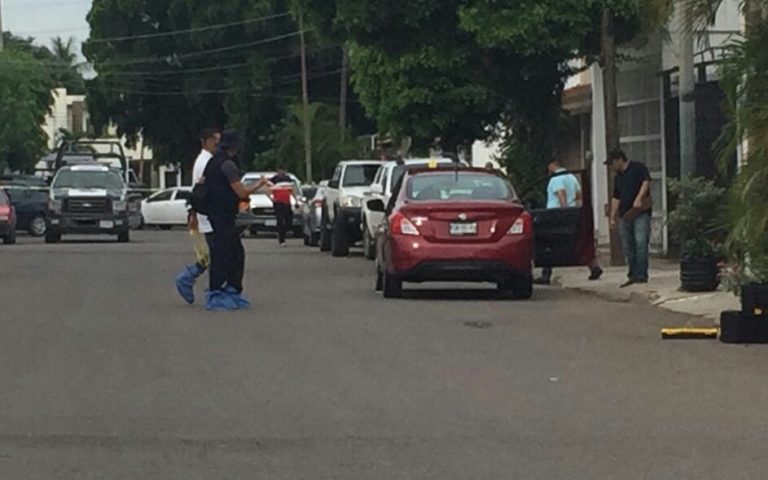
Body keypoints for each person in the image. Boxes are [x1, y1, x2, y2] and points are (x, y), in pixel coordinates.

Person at [205, 130, 270, 311]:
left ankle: (227, 288)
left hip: (214, 213)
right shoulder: (227, 165)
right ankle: (221, 290)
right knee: (227, 254)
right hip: (223, 216)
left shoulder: (212, 162)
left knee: (228, 252)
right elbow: (241, 192)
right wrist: (259, 184)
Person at [535, 159, 603, 285]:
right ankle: (594, 267)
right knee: (578, 242)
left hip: (556, 214)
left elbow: (561, 194)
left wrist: (564, 210)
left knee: (550, 244)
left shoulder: (556, 179)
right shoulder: (571, 177)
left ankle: (546, 274)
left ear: (552, 165)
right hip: (573, 212)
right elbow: (579, 195)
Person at [174, 128, 220, 304]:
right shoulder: (205, 162)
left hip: (205, 214)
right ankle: (189, 278)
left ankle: (190, 277)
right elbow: (201, 190)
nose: (218, 145)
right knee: (215, 254)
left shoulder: (206, 160)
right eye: (215, 141)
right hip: (207, 215)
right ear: (206, 141)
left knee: (213, 254)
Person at [607, 149, 652, 288]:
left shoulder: (638, 168)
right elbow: (616, 197)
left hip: (640, 212)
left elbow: (646, 182)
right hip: (625, 215)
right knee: (628, 246)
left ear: (618, 160)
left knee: (640, 241)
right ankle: (632, 274)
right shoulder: (618, 178)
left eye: (612, 163)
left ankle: (641, 275)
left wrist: (638, 198)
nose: (612, 167)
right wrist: (612, 216)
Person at [269, 167, 296, 247]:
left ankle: (282, 232)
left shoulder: (288, 179)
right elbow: (267, 188)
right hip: (278, 203)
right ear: (278, 171)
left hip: (287, 202)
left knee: (289, 220)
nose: (282, 172)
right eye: (281, 170)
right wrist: (271, 197)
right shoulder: (274, 179)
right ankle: (282, 240)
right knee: (280, 220)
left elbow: (292, 189)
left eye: (284, 170)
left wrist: (296, 200)